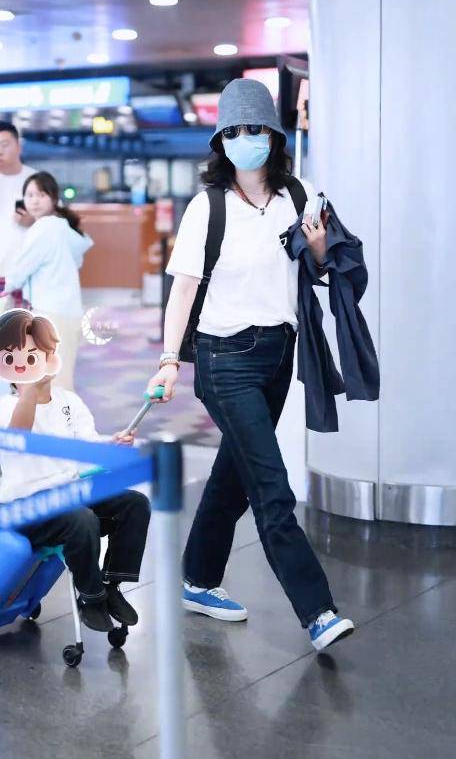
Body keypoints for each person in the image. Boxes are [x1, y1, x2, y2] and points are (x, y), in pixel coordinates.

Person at [146, 78, 354, 653]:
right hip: (223, 359)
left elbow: (322, 267)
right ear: (221, 141)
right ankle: (318, 611)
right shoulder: (207, 207)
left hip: (278, 352)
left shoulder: (299, 194)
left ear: (274, 135)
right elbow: (183, 289)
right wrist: (169, 359)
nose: (245, 139)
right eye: (233, 131)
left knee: (235, 473)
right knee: (269, 482)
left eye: (255, 128)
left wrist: (318, 246)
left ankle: (197, 579)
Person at [0, 317, 150, 633]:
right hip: (27, 506)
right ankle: (91, 598)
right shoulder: (6, 406)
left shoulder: (69, 402)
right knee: (81, 519)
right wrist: (30, 390)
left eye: (40, 353)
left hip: (70, 492)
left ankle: (112, 586)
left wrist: (111, 444)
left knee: (134, 504)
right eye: (26, 358)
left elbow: (86, 447)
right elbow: (18, 436)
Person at [2, 171, 93, 391]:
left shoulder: (44, 228)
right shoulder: (63, 228)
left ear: (53, 198)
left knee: (53, 383)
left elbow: (19, 272)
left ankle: (61, 415)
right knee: (56, 378)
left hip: (51, 313)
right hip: (66, 312)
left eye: (41, 195)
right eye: (29, 195)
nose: (34, 200)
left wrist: (6, 285)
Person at [0, 122, 36, 306]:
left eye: (4, 144)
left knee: (21, 321)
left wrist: (34, 220)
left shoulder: (37, 181)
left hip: (25, 273)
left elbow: (58, 223)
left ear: (19, 146)